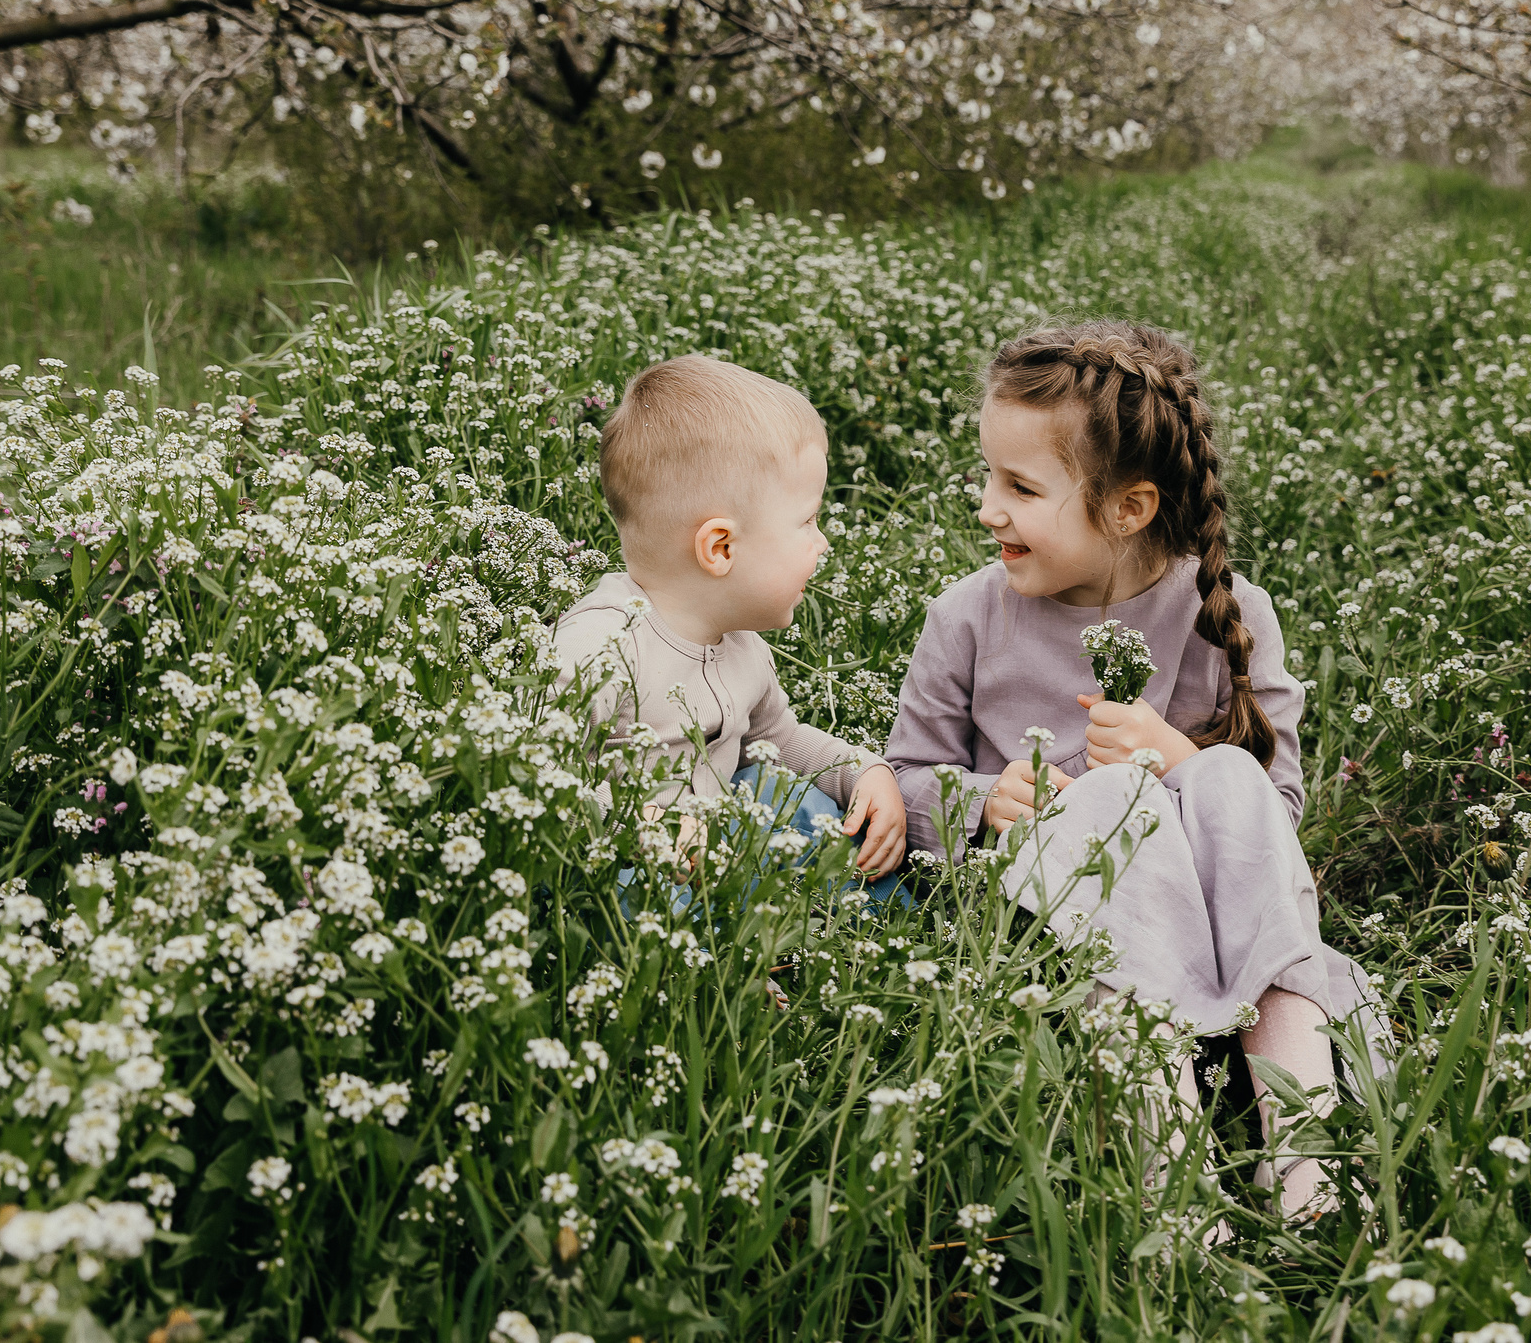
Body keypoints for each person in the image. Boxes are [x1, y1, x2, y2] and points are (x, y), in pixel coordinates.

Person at [885, 320, 1387, 1218]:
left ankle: (1308, 1166)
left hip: (1218, 924)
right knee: (1113, 796)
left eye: (1021, 487)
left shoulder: (1228, 614)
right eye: (989, 477)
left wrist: (1184, 756)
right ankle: (1168, 1177)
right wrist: (983, 800)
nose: (987, 507)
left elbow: (1276, 813)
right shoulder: (967, 617)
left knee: (1227, 778)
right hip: (1048, 926)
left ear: (1130, 507)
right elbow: (907, 773)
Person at [555, 354, 907, 888]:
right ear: (720, 547)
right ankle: (718, 965)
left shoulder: (739, 644)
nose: (822, 542)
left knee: (793, 797)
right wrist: (637, 822)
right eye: (807, 521)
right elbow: (537, 772)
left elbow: (777, 742)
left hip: (712, 853)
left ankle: (864, 929)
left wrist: (863, 770)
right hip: (622, 877)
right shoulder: (601, 646)